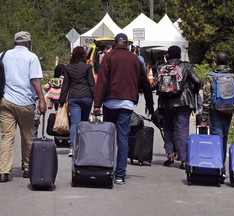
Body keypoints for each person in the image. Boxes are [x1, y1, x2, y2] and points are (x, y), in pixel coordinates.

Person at [93, 33, 154, 185]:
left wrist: (97, 105)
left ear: (114, 43)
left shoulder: (109, 57)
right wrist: (150, 105)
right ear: (127, 44)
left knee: (109, 137)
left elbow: (102, 81)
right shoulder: (135, 59)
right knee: (123, 139)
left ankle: (107, 169)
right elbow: (145, 83)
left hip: (110, 104)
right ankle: (120, 175)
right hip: (127, 104)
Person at [0, 31, 47, 182]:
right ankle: (27, 168)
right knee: (28, 136)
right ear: (28, 43)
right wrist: (42, 99)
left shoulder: (3, 55)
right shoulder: (31, 57)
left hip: (5, 101)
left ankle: (3, 171)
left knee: (7, 136)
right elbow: (35, 80)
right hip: (25, 103)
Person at [151, 45, 201, 170]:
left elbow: (155, 85)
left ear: (168, 55)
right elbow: (197, 81)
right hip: (183, 102)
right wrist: (193, 91)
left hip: (165, 103)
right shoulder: (186, 66)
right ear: (179, 55)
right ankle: (184, 159)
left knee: (167, 127)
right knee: (182, 130)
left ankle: (170, 155)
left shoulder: (161, 67)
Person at [200, 51, 234, 179]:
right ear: (227, 62)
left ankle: (218, 168)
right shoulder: (232, 77)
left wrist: (204, 119)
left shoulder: (210, 76)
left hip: (216, 111)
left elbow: (206, 99)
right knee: (224, 137)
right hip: (229, 110)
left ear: (216, 62)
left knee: (217, 137)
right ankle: (222, 167)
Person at [59, 46, 94, 157]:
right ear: (84, 55)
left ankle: (73, 148)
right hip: (87, 97)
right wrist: (97, 100)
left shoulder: (68, 68)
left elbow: (65, 85)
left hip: (74, 97)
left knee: (74, 123)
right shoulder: (88, 67)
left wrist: (62, 100)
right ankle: (83, 147)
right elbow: (91, 84)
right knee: (84, 123)